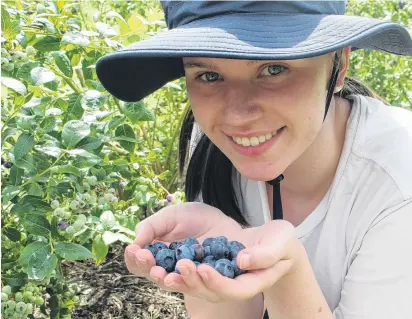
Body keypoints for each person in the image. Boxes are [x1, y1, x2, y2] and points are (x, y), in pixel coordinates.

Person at [96, 1, 412, 318]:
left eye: (274, 68)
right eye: (208, 75)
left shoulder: (399, 182)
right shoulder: (211, 143)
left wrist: (286, 276)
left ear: (338, 66)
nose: (236, 115)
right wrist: (217, 274)